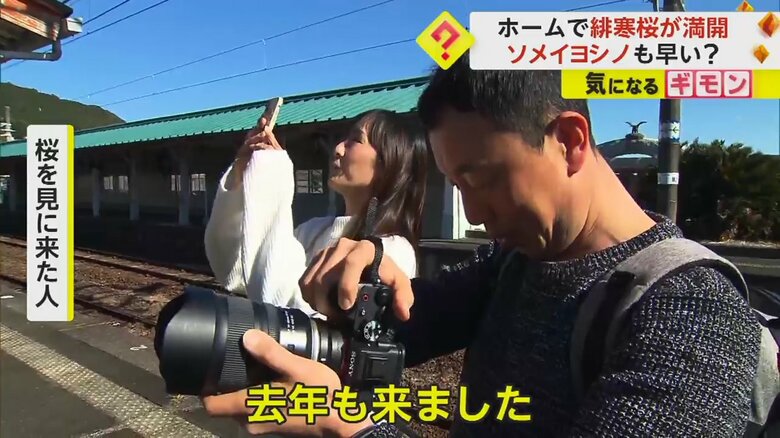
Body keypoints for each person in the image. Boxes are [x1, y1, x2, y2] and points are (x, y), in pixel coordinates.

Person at [201, 55, 762, 437]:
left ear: (569, 141)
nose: (472, 214)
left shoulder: (691, 312)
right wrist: (369, 275)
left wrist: (358, 428)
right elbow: (402, 328)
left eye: (484, 179)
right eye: (457, 185)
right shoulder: (513, 261)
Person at [204, 109, 427, 315]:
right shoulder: (312, 230)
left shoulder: (391, 252)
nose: (338, 149)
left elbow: (292, 310)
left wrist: (272, 175)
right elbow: (238, 272)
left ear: (388, 164)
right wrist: (242, 171)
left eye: (355, 140)